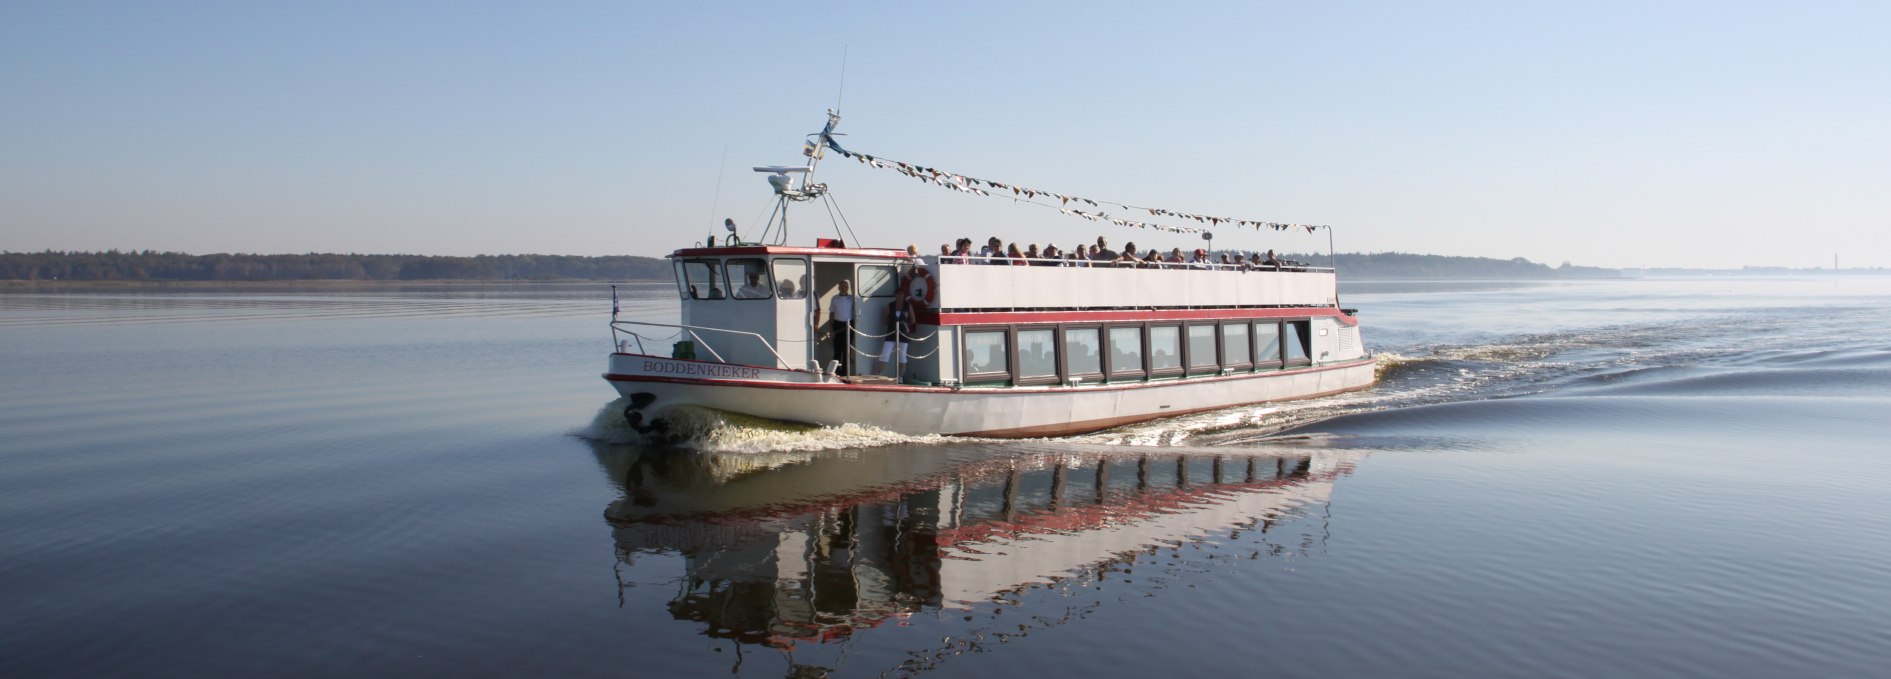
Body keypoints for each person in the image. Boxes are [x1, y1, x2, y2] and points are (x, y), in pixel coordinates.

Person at [873, 293, 918, 378]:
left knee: (902, 356)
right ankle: (877, 375)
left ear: (903, 296)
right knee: (885, 354)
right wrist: (891, 325)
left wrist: (905, 325)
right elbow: (884, 318)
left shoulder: (908, 306)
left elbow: (913, 320)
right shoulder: (890, 305)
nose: (900, 296)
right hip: (891, 332)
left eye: (901, 295)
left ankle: (900, 377)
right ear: (895, 296)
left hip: (903, 333)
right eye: (898, 295)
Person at [827, 279, 856, 376]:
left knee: (847, 350)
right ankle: (836, 372)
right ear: (839, 288)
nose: (844, 288)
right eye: (842, 287)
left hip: (848, 325)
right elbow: (831, 314)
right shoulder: (834, 298)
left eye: (846, 287)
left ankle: (845, 373)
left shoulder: (852, 298)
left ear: (848, 288)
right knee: (837, 351)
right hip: (837, 325)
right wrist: (831, 329)